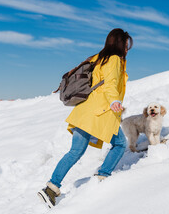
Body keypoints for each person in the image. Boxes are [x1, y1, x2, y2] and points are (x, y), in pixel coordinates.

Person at [37, 28, 133, 208]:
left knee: (75, 151)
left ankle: (51, 188)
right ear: (119, 44)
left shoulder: (98, 58)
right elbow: (111, 83)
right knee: (120, 144)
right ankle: (103, 176)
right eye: (126, 45)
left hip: (84, 111)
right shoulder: (113, 59)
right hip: (100, 112)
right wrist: (114, 101)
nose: (127, 49)